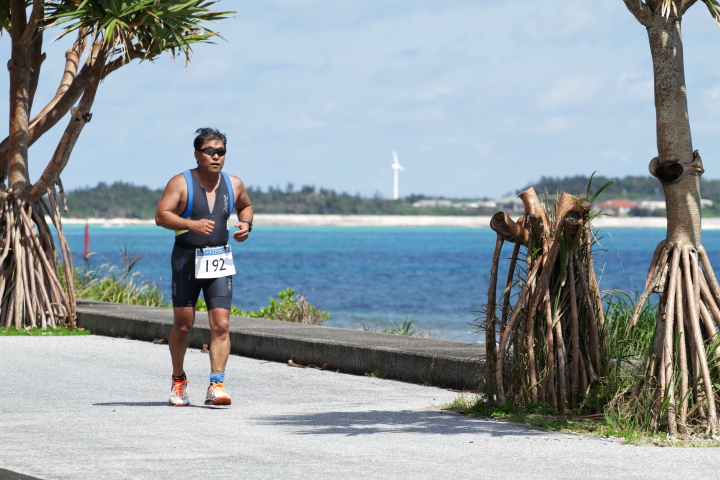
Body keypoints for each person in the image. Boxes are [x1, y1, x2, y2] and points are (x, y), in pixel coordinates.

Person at [155, 127, 253, 406]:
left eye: (221, 152)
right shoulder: (180, 183)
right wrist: (191, 224)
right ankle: (178, 381)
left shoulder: (233, 184)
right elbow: (161, 216)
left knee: (221, 324)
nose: (216, 156)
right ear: (197, 154)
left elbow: (246, 206)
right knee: (183, 326)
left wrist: (247, 225)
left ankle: (216, 385)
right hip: (186, 258)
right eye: (210, 151)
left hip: (219, 260)